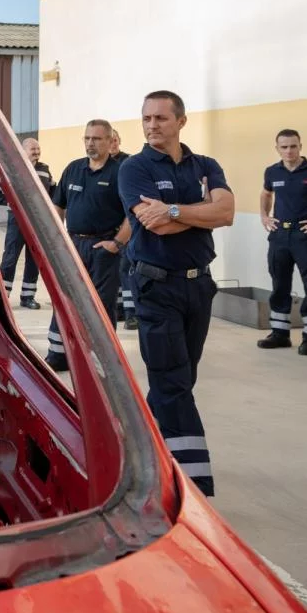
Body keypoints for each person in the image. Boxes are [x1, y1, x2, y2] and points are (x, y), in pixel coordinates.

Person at [118, 90, 234, 498]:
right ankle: (192, 484)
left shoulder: (206, 165)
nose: (152, 125)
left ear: (181, 122)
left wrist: (171, 209)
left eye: (161, 118)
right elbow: (156, 227)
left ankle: (139, 451)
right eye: (146, 117)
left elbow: (227, 212)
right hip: (155, 287)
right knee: (172, 382)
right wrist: (198, 211)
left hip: (199, 286)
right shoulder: (134, 169)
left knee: (180, 380)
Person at [43, 120, 131, 372]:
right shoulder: (73, 169)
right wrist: (58, 240)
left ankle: (104, 361)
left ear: (110, 141)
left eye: (97, 139)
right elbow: (57, 206)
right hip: (73, 245)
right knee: (65, 298)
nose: (91, 143)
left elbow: (132, 214)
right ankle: (58, 354)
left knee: (102, 306)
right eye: (87, 138)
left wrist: (115, 244)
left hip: (103, 249)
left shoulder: (120, 172)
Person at [256, 128, 307, 355]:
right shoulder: (272, 171)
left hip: (304, 235)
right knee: (279, 282)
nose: (289, 151)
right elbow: (266, 193)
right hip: (279, 235)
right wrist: (264, 215)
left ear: (300, 146)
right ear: (277, 148)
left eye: (293, 146)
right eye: (284, 147)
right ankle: (280, 333)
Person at [0, 137, 54, 309]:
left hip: (38, 222)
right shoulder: (11, 166)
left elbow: (54, 189)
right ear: (23, 151)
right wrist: (6, 201)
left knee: (34, 260)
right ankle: (3, 296)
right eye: (33, 149)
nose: (37, 152)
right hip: (17, 220)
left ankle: (28, 296)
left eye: (38, 149)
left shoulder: (44, 169)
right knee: (10, 257)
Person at [109, 128, 138, 329]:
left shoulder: (128, 163)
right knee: (114, 271)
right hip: (107, 228)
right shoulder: (98, 165)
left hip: (127, 226)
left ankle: (131, 314)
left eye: (115, 140)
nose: (112, 143)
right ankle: (118, 310)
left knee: (126, 268)